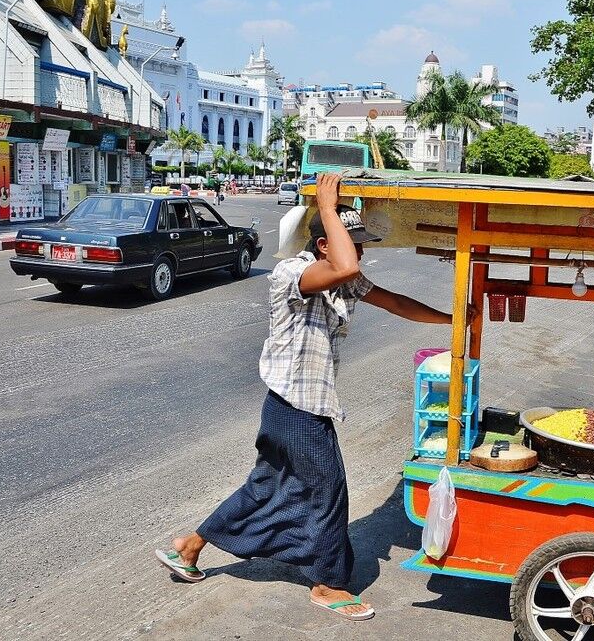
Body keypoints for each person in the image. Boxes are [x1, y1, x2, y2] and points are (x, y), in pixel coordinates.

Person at [155, 173, 471, 621]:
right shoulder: (292, 273)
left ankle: (190, 547)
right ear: (325, 245)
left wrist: (454, 319)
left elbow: (395, 302)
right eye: (353, 243)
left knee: (266, 485)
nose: (360, 254)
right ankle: (328, 583)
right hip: (296, 406)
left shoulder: (345, 280)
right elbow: (343, 266)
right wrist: (326, 206)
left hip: (291, 406)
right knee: (328, 490)